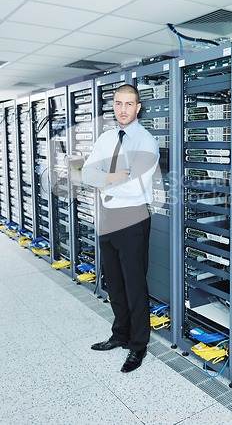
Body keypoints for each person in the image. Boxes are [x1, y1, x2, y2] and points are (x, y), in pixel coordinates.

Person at [81, 84, 160, 373]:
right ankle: (120, 335)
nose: (123, 109)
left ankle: (138, 346)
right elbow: (87, 173)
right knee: (114, 281)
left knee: (134, 284)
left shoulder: (145, 142)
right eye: (118, 104)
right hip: (108, 218)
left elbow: (136, 186)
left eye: (129, 104)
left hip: (133, 218)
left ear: (138, 107)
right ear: (113, 106)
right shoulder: (105, 138)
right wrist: (113, 177)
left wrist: (105, 183)